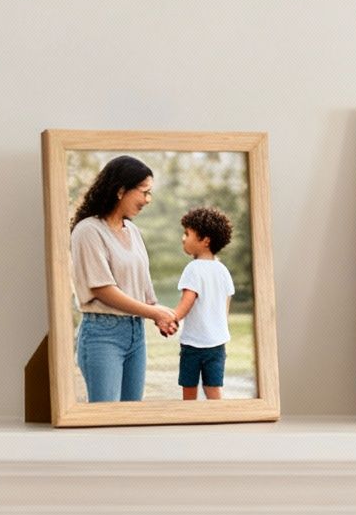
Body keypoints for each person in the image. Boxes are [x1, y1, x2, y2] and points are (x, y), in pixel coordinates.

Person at [68, 156, 180, 402]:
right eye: (144, 192)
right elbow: (103, 290)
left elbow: (141, 281)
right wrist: (155, 313)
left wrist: (156, 312)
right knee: (106, 420)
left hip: (135, 334)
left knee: (132, 416)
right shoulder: (88, 231)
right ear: (121, 190)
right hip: (102, 334)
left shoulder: (133, 231)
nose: (148, 200)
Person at [170, 205, 235, 401]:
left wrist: (171, 318)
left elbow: (187, 302)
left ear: (205, 240)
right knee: (213, 390)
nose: (183, 238)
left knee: (189, 391)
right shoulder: (223, 270)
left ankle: (190, 426)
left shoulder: (193, 268)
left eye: (187, 233)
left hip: (194, 344)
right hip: (217, 344)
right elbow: (225, 306)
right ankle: (218, 425)